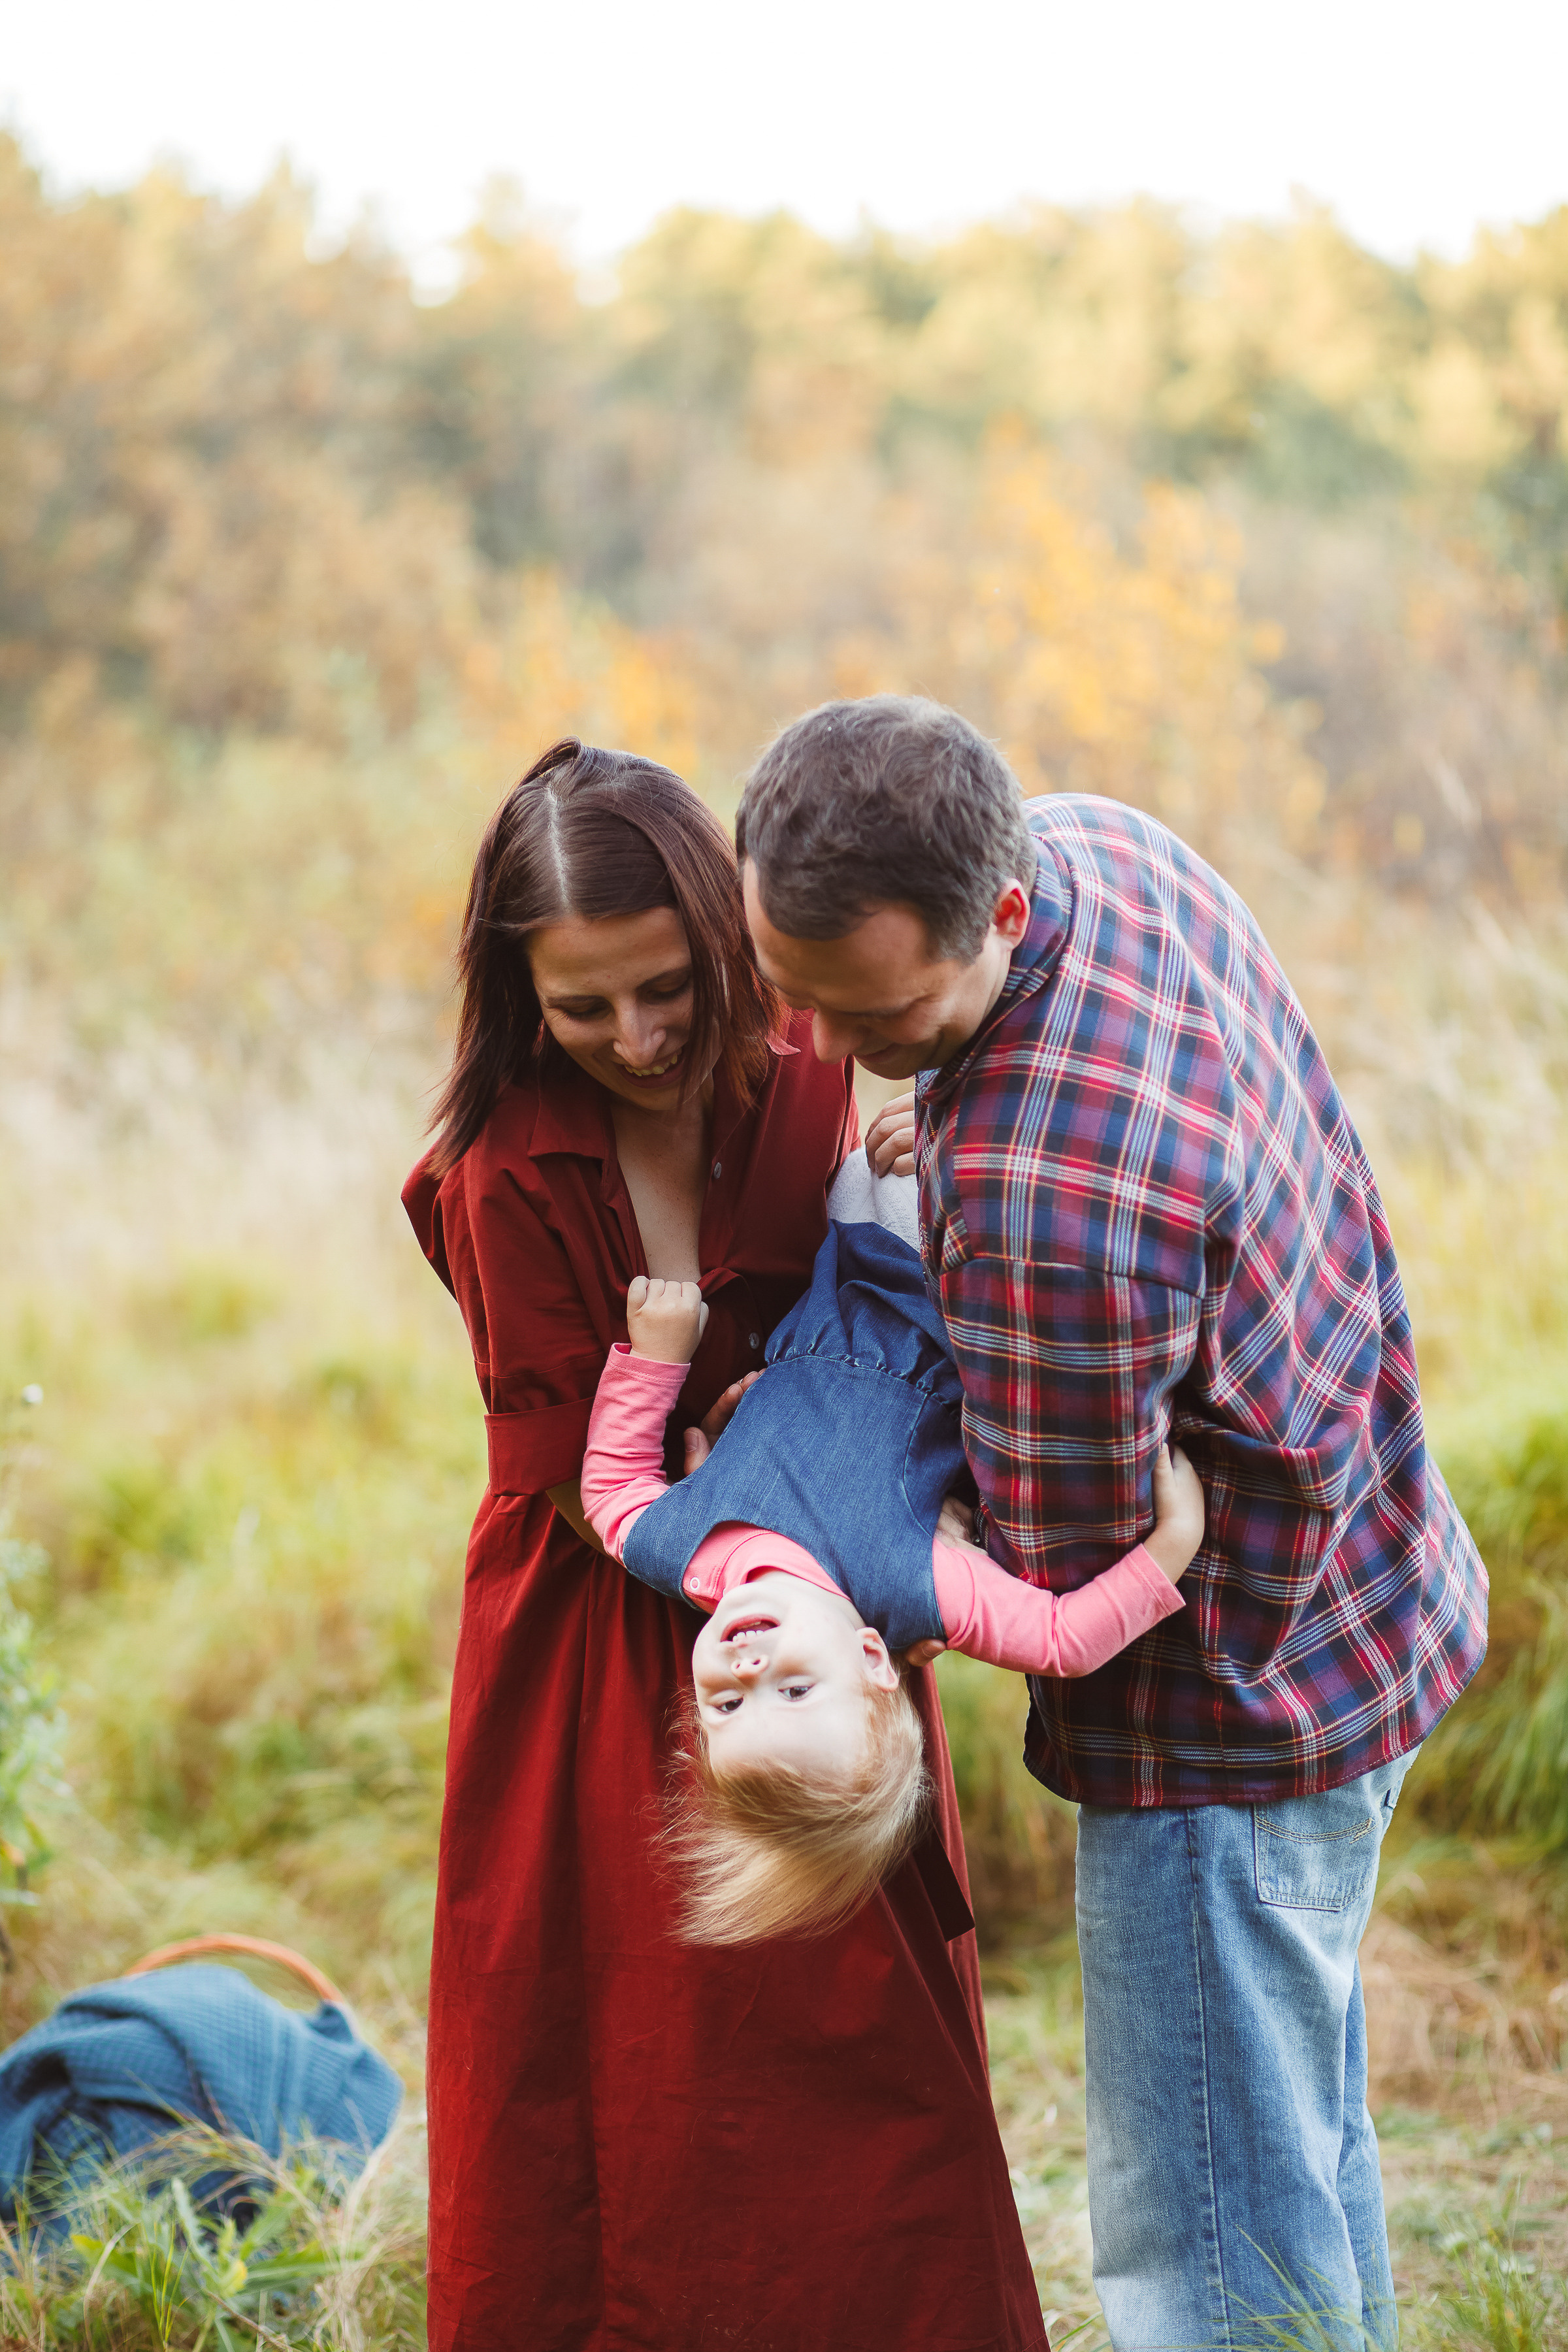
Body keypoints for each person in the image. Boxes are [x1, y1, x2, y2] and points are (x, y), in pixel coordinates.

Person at [733, 694, 1489, 2351]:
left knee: (1207, 2233)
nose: (836, 1048)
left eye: (879, 1012)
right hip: (1370, 1577)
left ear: (992, 912)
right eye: (796, 998)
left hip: (1222, 1714)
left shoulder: (1045, 1211)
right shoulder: (1100, 847)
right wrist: (932, 1108)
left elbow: (1055, 1561)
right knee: (1294, 2141)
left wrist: (803, 1483)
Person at [402, 738, 1049, 2352]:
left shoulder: (806, 1054)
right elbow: (569, 1482)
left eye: (663, 985)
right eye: (577, 1005)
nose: (630, 1036)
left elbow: (884, 1298)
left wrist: (911, 1195)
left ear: (718, 929)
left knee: (862, 2052)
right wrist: (746, 1487)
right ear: (518, 1001)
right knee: (624, 2072)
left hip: (817, 1602)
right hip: (618, 1624)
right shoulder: (505, 1174)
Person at [579, 1225, 1201, 1944]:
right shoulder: (919, 1583)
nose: (747, 1670)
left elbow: (612, 1492)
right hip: (957, 1300)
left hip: (838, 1258)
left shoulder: (686, 1556)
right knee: (948, 1163)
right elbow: (1063, 1640)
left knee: (884, 1150)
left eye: (725, 1703)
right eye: (793, 1692)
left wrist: (656, 1359)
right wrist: (1174, 1543)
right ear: (873, 1660)